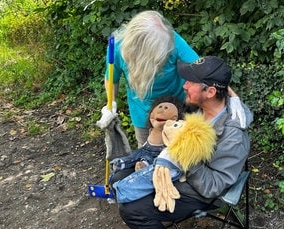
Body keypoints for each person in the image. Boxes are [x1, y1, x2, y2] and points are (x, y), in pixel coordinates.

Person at [114, 56, 253, 229]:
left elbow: (214, 186)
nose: (184, 85)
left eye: (191, 82)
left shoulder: (233, 136)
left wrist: (186, 154)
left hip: (199, 192)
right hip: (175, 171)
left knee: (132, 209)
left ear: (211, 92)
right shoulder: (197, 109)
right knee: (119, 178)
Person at [101, 10, 247, 148]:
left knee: (183, 152)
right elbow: (111, 79)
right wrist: (111, 104)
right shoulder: (118, 49)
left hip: (178, 107)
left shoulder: (169, 38)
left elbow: (204, 72)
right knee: (145, 154)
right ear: (143, 50)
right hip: (143, 114)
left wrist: (233, 97)